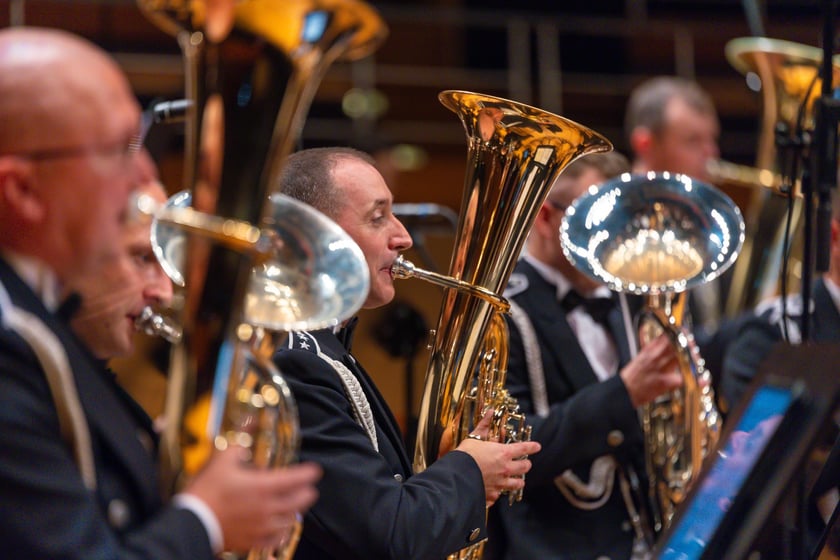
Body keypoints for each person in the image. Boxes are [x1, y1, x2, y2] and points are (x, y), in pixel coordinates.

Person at [0, 27, 320, 559]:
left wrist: (155, 463)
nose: (145, 174)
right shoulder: (10, 336)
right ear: (23, 191)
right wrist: (207, 521)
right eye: (116, 150)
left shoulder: (34, 316)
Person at [274, 145, 541, 559]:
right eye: (377, 217)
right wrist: (470, 471)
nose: (404, 237)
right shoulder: (297, 361)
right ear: (311, 234)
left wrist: (448, 473)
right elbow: (388, 535)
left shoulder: (324, 348)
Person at [485, 151, 683, 560]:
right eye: (598, 220)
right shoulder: (501, 312)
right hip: (552, 546)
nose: (617, 239)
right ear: (545, 217)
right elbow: (510, 448)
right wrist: (623, 393)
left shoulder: (632, 296)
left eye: (621, 220)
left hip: (646, 537)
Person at [624, 75, 734, 405]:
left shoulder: (710, 221)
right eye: (692, 141)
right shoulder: (616, 229)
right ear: (645, 143)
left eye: (712, 140)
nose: (711, 155)